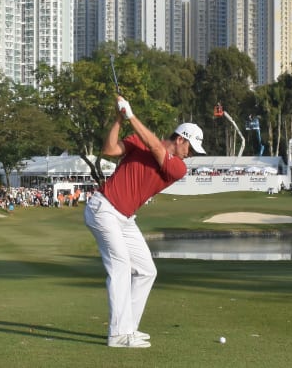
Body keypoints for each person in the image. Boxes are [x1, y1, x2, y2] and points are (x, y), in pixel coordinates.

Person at [85, 95, 205, 349]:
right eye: (190, 149)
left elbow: (157, 149)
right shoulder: (139, 142)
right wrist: (119, 119)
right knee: (120, 266)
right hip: (103, 209)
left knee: (147, 270)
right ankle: (118, 334)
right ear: (180, 139)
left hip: (125, 219)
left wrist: (131, 115)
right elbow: (109, 149)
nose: (190, 155)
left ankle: (129, 329)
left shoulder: (178, 168)